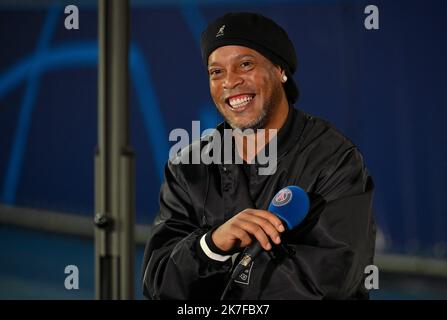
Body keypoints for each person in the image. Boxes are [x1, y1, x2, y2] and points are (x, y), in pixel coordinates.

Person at [141, 12, 376, 300]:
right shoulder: (187, 166)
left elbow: (327, 284)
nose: (230, 81)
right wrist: (212, 245)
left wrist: (217, 274)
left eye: (246, 64)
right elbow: (158, 282)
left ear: (280, 70)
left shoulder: (334, 161)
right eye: (216, 72)